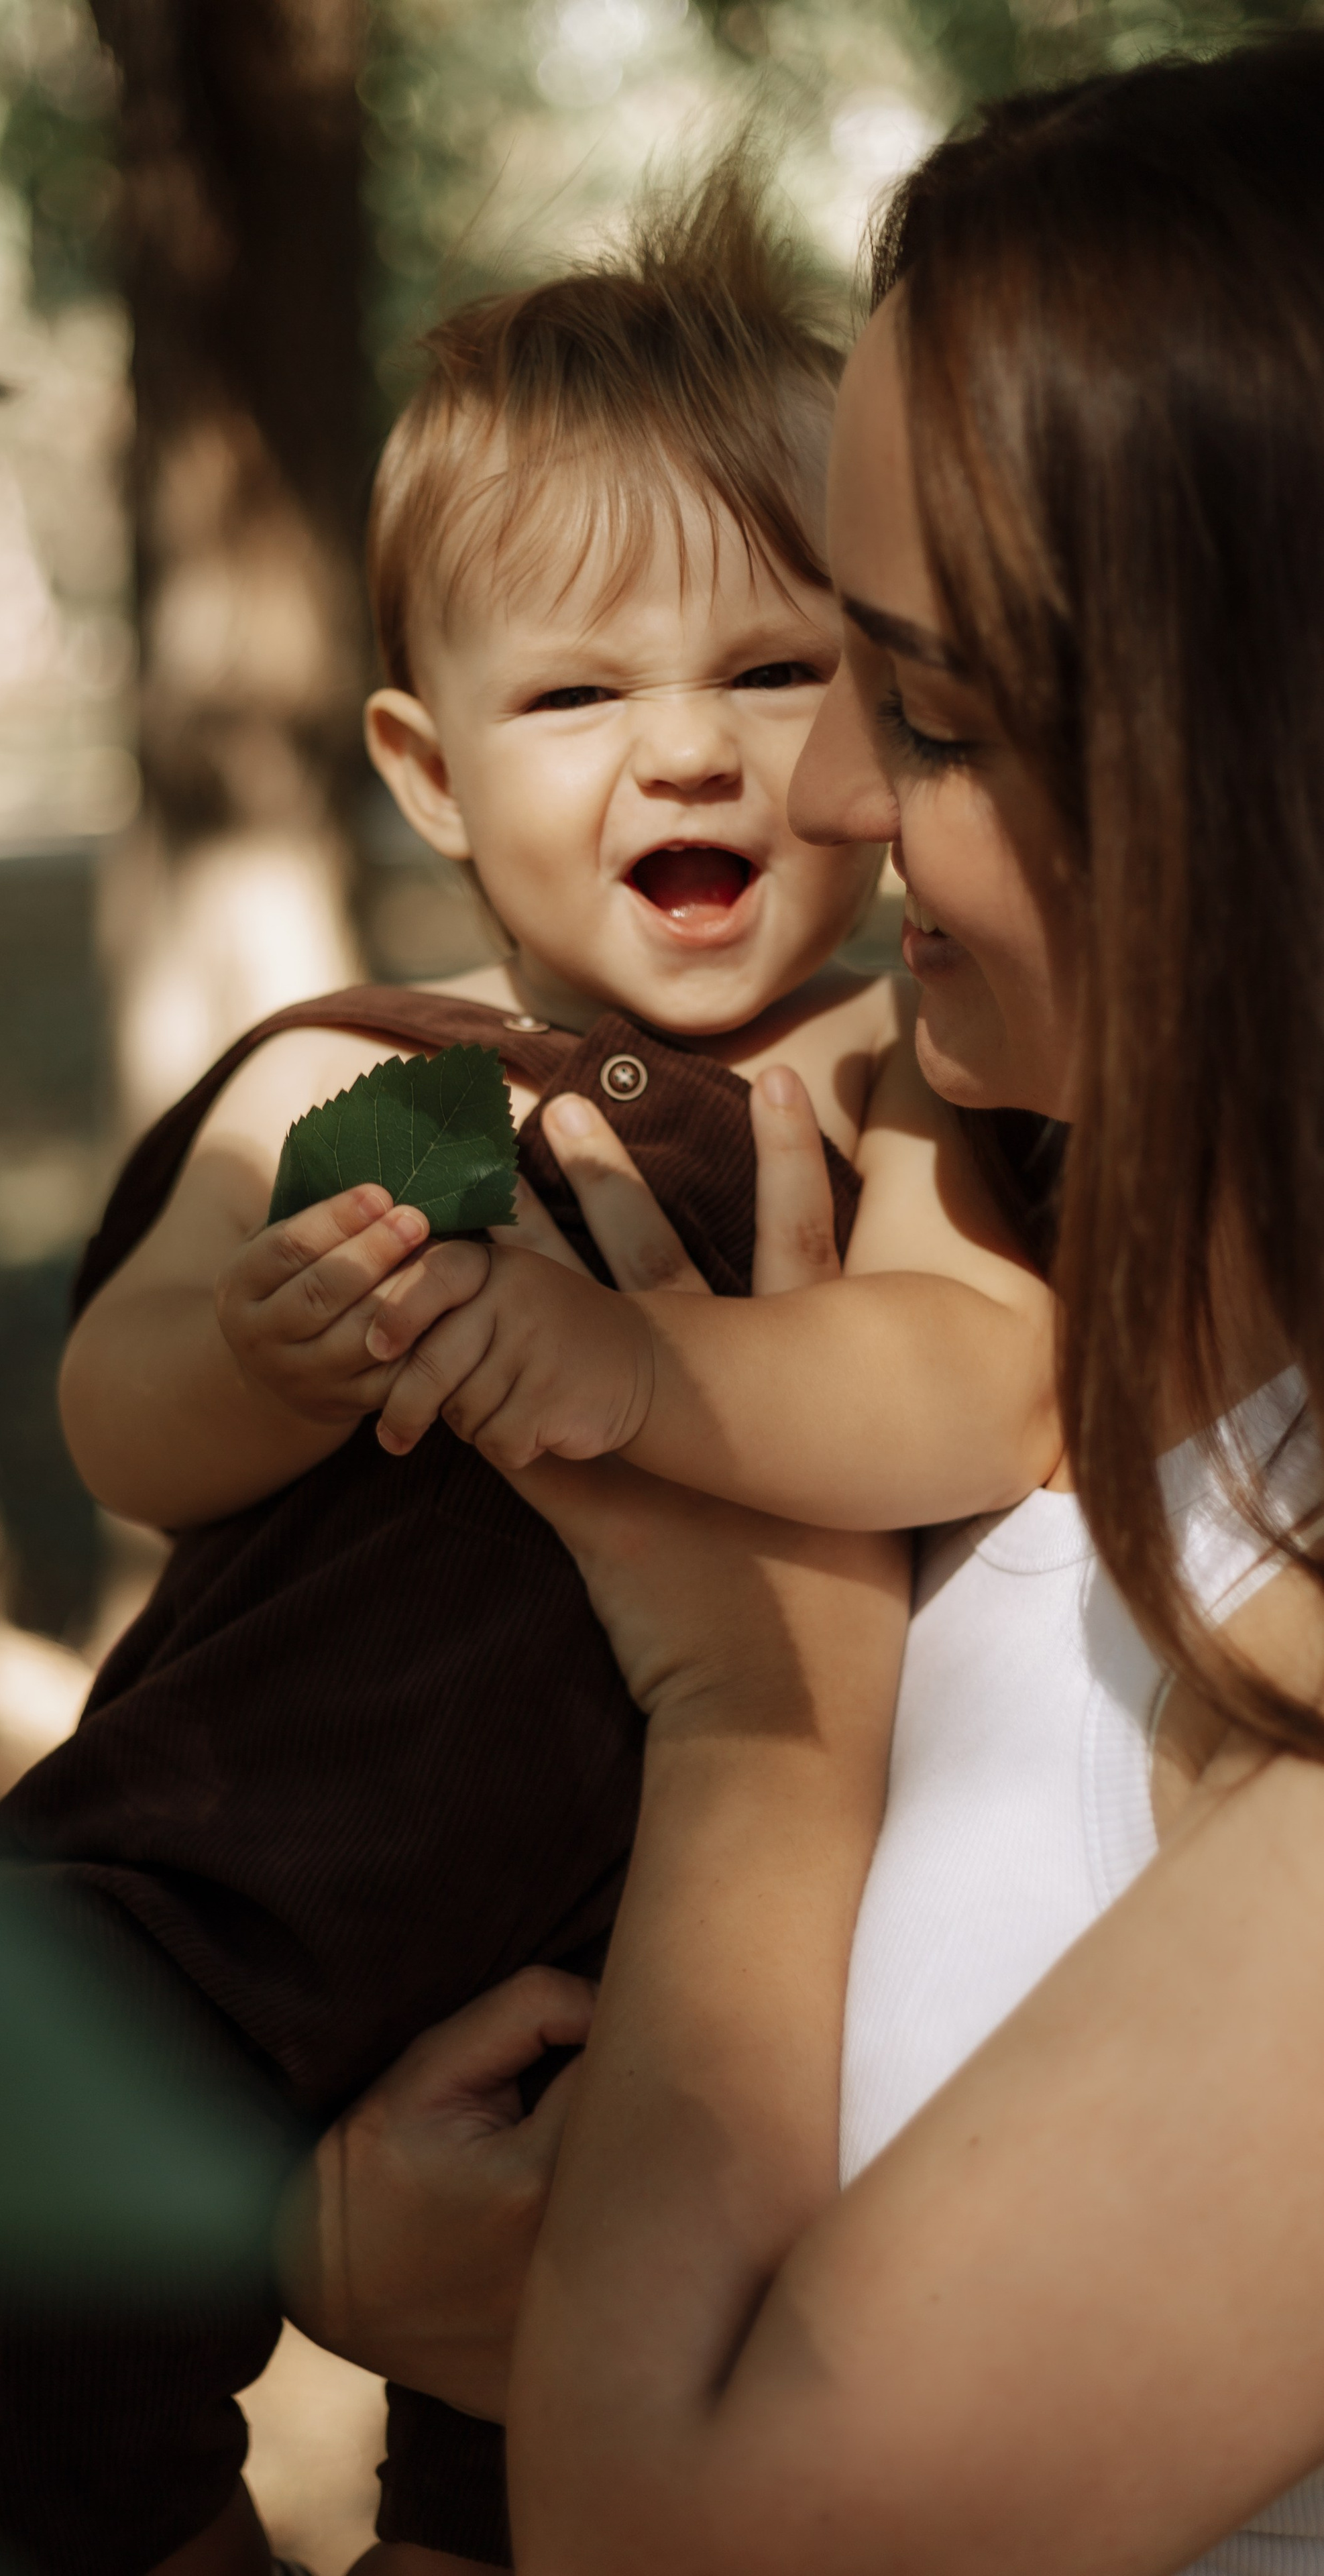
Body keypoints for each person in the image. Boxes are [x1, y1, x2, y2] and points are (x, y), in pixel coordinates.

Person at [0, 162, 1058, 2576]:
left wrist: (647, 1374)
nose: (693, 756)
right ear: (428, 773)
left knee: (559, 2459)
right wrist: (280, 1348)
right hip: (236, 1871)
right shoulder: (371, 1079)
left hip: (652, 1962)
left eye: (775, 669)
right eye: (585, 695)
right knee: (14, 2314)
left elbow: (975, 1380)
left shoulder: (893, 1082)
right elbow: (123, 1420)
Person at [277, 36, 1324, 2575]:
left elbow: (686, 2535)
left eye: (929, 709)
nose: (821, 792)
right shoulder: (1013, 1207)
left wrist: (759, 1688)